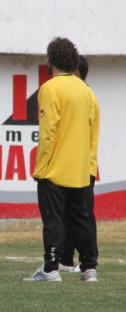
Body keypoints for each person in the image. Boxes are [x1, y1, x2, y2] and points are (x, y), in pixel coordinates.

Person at [24, 37, 99, 282]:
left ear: (52, 60)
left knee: (53, 220)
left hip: (55, 169)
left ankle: (51, 268)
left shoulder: (50, 88)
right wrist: (89, 166)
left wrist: (41, 167)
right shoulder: (87, 92)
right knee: (83, 219)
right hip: (81, 170)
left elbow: (48, 133)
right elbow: (93, 133)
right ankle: (89, 269)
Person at [59, 55, 100, 273]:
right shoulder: (81, 95)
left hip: (82, 164)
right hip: (73, 163)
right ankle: (65, 259)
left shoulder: (86, 96)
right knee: (68, 214)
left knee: (82, 215)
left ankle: (89, 263)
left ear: (75, 73)